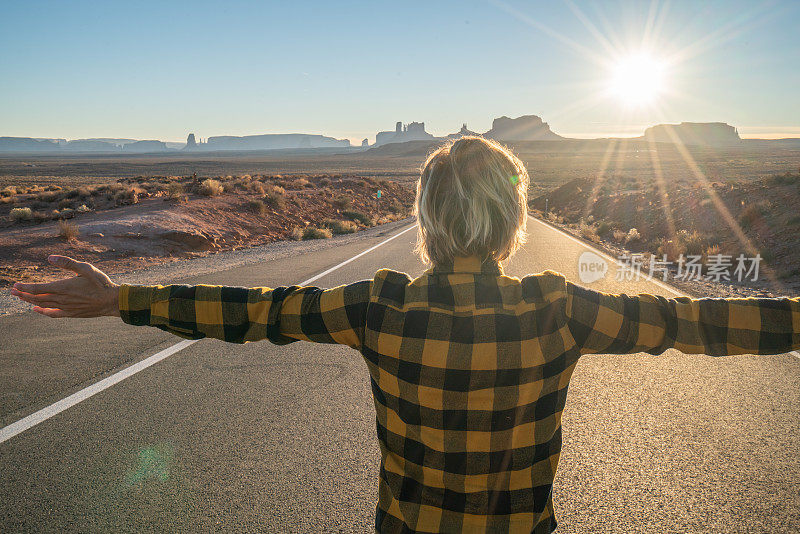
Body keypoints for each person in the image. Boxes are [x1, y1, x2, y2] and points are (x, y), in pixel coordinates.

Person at [11, 136, 800, 533]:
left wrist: (125, 302)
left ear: (425, 218)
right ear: (517, 220)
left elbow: (259, 312)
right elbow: (695, 322)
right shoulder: (560, 307)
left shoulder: (379, 306)